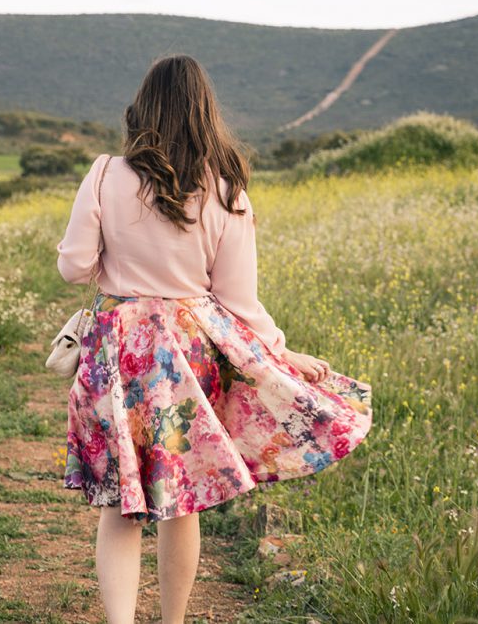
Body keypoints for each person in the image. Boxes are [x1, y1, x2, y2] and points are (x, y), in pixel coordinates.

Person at [55, 54, 372, 624]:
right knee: (182, 501)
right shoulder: (227, 190)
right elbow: (239, 301)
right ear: (205, 112)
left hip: (119, 352)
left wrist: (116, 261)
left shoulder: (104, 173)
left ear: (143, 107)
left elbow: (74, 269)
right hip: (189, 351)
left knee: (122, 506)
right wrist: (280, 350)